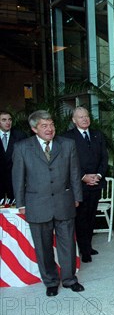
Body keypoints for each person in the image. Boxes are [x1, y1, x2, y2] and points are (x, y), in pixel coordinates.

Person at [12, 110, 84, 296]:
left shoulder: (67, 145)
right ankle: (51, 282)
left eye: (51, 124)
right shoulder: (22, 147)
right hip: (37, 204)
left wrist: (77, 196)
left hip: (64, 202)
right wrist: (21, 203)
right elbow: (18, 178)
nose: (49, 129)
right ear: (34, 128)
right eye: (44, 126)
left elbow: (75, 173)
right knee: (43, 247)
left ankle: (69, 279)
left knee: (67, 243)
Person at [62, 107, 109, 263]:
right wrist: (83, 177)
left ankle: (88, 245)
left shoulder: (98, 135)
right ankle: (83, 249)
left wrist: (99, 175)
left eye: (86, 116)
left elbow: (104, 158)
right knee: (80, 218)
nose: (84, 119)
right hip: (79, 185)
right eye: (80, 117)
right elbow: (68, 162)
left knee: (91, 217)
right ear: (74, 120)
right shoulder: (68, 138)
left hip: (96, 183)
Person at [0, 110, 27, 202]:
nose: (8, 122)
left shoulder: (20, 136)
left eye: (10, 119)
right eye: (4, 120)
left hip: (15, 179)